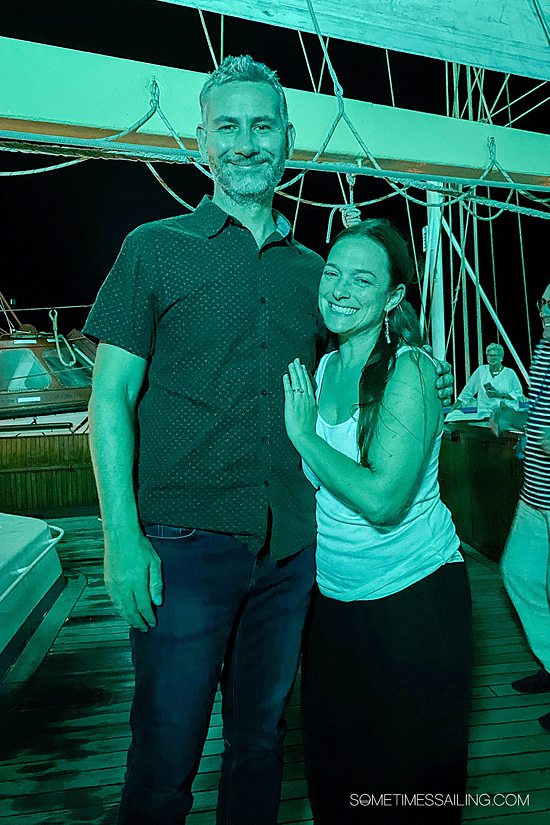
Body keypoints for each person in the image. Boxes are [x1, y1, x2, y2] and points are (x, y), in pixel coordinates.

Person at [84, 56, 453, 825]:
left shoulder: (317, 276)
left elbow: (368, 359)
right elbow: (110, 395)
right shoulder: (152, 247)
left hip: (290, 555)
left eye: (263, 125)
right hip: (182, 546)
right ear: (202, 142)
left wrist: (422, 368)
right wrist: (120, 536)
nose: (247, 141)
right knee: (163, 757)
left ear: (287, 138)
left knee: (258, 743)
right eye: (229, 126)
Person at [283, 219, 472, 824]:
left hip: (412, 603)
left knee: (410, 790)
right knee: (339, 781)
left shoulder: (411, 371)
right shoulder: (321, 371)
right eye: (332, 273)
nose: (340, 288)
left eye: (362, 279)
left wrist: (304, 437)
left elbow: (384, 498)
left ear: (393, 298)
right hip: (334, 605)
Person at [492, 284, 550, 730]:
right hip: (536, 496)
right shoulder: (544, 350)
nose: (545, 309)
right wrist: (515, 418)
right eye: (543, 302)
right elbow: (541, 412)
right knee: (518, 572)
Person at [449, 342, 522, 417]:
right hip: (484, 414)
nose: (492, 358)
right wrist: (454, 406)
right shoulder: (481, 370)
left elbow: (518, 394)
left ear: (501, 357)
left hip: (505, 415)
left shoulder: (510, 373)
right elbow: (468, 390)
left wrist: (499, 395)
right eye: (489, 355)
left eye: (495, 355)